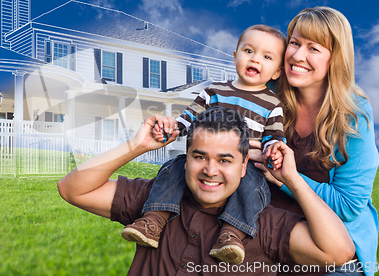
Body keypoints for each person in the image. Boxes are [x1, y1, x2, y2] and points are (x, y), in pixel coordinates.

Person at [57, 107, 355, 276]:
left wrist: (292, 179)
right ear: (185, 161)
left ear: (243, 167)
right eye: (200, 157)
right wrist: (137, 146)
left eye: (225, 160)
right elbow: (72, 189)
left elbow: (338, 252)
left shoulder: (262, 223)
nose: (210, 170)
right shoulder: (154, 201)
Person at [121, 24, 287, 264]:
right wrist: (172, 128)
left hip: (244, 164)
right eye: (248, 51)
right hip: (204, 157)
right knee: (174, 167)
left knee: (253, 184)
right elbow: (188, 119)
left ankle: (232, 235)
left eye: (267, 56)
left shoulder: (273, 104)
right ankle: (153, 220)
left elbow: (274, 136)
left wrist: (273, 150)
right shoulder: (214, 92)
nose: (255, 59)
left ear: (276, 72)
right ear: (235, 56)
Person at [256, 7, 379, 276]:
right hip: (270, 235)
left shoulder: (353, 115)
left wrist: (284, 178)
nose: (298, 56)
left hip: (334, 250)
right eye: (295, 43)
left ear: (335, 59)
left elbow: (348, 205)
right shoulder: (265, 94)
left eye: (314, 48)